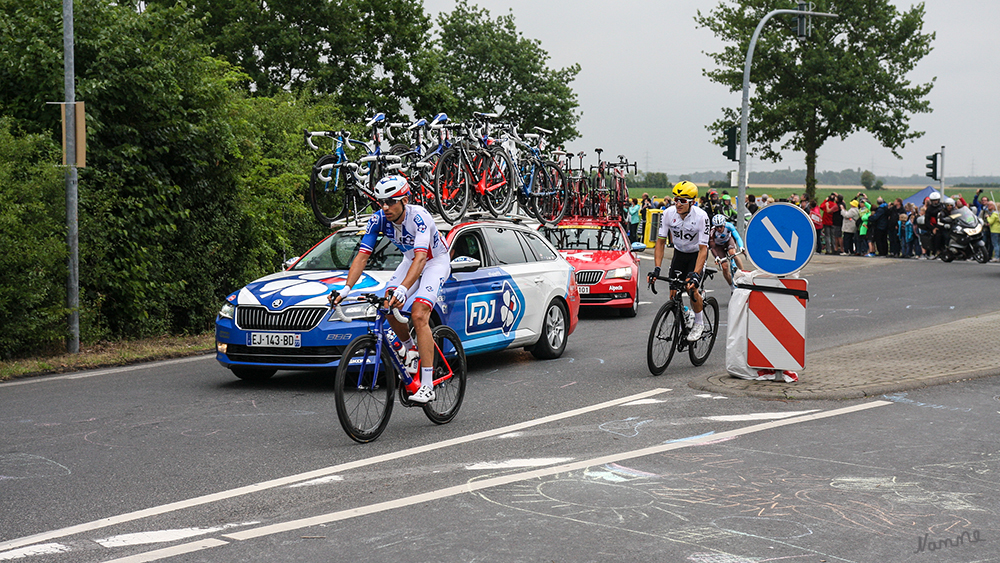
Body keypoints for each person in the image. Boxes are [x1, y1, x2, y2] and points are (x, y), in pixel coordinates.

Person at [331, 175, 450, 404]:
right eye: (381, 202)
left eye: (391, 201)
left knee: (418, 314)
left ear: (405, 199)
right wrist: (345, 289)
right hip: (410, 260)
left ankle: (427, 384)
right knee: (387, 304)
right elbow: (362, 256)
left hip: (434, 261)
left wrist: (404, 290)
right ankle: (410, 350)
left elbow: (422, 257)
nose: (385, 207)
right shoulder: (378, 220)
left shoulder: (420, 218)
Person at [648, 181, 710, 342]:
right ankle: (684, 318)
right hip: (679, 254)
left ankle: (699, 323)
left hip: (696, 255)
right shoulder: (668, 213)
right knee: (673, 293)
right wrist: (656, 268)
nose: (678, 203)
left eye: (683, 200)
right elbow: (660, 242)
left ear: (692, 202)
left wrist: (695, 274)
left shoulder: (701, 217)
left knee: (691, 289)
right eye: (676, 199)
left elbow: (704, 249)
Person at [708, 214, 745, 290]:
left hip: (728, 241)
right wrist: (717, 257)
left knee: (733, 254)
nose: (719, 228)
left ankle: (743, 272)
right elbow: (712, 247)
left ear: (724, 224)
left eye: (721, 226)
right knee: (724, 267)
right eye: (717, 227)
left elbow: (737, 237)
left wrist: (741, 247)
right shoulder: (712, 231)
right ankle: (731, 286)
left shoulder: (729, 226)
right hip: (718, 246)